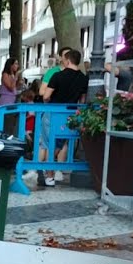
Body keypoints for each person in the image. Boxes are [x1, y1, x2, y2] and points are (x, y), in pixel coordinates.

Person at [39, 47, 88, 188]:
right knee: (59, 144)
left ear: (67, 60)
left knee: (48, 143)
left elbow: (46, 96)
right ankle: (51, 173)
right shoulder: (83, 79)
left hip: (53, 112)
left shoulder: (58, 76)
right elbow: (82, 100)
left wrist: (48, 102)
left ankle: (49, 175)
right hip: (70, 114)